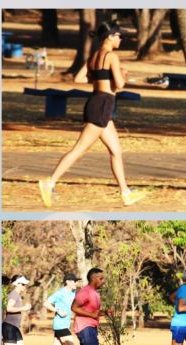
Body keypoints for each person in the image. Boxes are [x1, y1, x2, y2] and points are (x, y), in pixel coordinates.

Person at [38, 21, 146, 208]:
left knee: (116, 151)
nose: (122, 39)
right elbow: (120, 85)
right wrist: (122, 74)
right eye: (119, 36)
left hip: (97, 103)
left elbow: (79, 78)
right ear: (110, 36)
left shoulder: (94, 56)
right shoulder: (112, 57)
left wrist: (102, 78)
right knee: (79, 149)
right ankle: (50, 182)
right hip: (103, 105)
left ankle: (125, 193)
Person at [32, 273, 80, 345]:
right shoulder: (59, 293)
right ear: (67, 282)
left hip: (64, 325)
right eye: (74, 281)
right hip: (60, 325)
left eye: (76, 281)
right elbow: (46, 303)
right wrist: (57, 310)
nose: (76, 283)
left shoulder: (73, 293)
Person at [63, 268, 106, 345]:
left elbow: (92, 311)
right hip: (85, 327)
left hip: (90, 326)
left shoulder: (95, 293)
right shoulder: (85, 292)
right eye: (101, 278)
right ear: (93, 278)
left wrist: (103, 313)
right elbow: (74, 307)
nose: (103, 281)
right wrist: (92, 315)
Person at [1, 275, 32, 345]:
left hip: (15, 327)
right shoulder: (13, 294)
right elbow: (9, 308)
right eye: (22, 284)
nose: (24, 286)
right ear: (16, 284)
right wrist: (23, 308)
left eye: (25, 284)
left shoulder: (18, 295)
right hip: (9, 327)